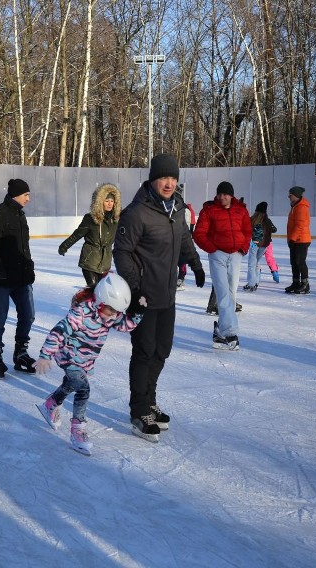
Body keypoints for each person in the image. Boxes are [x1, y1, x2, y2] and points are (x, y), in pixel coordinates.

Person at [113, 153, 205, 442]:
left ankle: (149, 401)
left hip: (167, 296)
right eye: (164, 178)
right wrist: (134, 288)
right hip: (143, 297)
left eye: (173, 178)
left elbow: (184, 238)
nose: (169, 183)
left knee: (162, 350)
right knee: (144, 352)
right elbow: (122, 252)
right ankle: (139, 410)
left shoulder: (177, 207)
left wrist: (196, 263)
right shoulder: (136, 212)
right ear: (153, 179)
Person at [33, 273, 144, 456]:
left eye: (117, 312)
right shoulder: (81, 313)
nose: (114, 316)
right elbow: (58, 332)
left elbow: (125, 326)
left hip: (85, 361)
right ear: (100, 302)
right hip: (68, 357)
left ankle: (50, 404)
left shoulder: (110, 313)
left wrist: (139, 312)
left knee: (72, 384)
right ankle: (78, 430)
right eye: (111, 311)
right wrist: (45, 355)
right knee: (83, 389)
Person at [0, 178, 37, 378]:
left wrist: (29, 267)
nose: (28, 199)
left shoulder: (20, 215)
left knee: (28, 315)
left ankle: (20, 353)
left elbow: (24, 247)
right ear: (16, 195)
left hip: (21, 278)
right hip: (1, 279)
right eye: (26, 195)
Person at [193, 182, 251, 350]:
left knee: (231, 293)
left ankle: (220, 330)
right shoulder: (209, 210)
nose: (223, 197)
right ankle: (230, 332)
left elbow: (247, 231)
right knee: (223, 291)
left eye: (226, 194)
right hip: (218, 254)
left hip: (236, 254)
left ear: (232, 195)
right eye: (220, 194)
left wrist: (243, 248)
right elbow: (199, 234)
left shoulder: (241, 210)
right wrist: (213, 249)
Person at [58, 183, 121, 287]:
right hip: (90, 261)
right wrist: (64, 246)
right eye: (106, 201)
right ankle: (82, 301)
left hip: (105, 263)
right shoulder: (90, 219)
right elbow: (77, 234)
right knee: (94, 289)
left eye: (112, 201)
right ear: (100, 202)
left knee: (102, 294)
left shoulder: (116, 220)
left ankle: (87, 303)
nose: (110, 203)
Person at [244, 201, 276, 290]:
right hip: (264, 245)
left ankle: (251, 284)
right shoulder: (267, 221)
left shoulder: (252, 219)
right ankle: (256, 282)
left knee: (251, 264)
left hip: (254, 244)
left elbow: (245, 228)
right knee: (257, 263)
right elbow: (274, 230)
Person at [285, 186, 312, 294]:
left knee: (300, 262)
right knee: (294, 262)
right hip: (296, 239)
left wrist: (292, 239)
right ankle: (296, 282)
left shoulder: (301, 207)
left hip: (301, 240)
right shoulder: (295, 206)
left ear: (295, 195)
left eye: (290, 195)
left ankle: (305, 284)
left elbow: (299, 225)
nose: (289, 197)